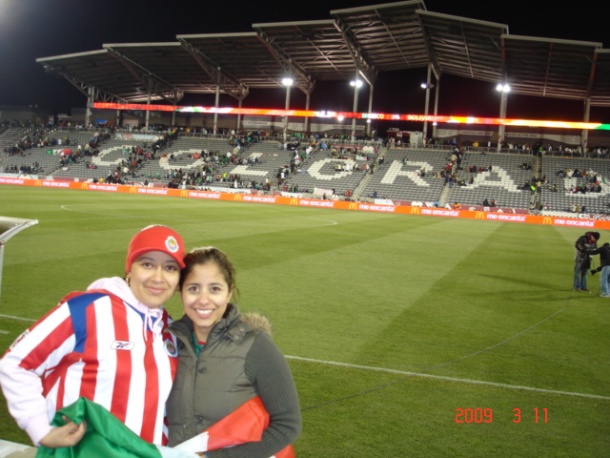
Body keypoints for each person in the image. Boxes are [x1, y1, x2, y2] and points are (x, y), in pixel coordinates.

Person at [0, 225, 186, 448]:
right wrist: (40, 428)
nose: (158, 277)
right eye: (147, 264)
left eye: (170, 268)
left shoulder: (170, 330)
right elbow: (15, 364)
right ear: (129, 269)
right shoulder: (85, 310)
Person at [166, 246, 301, 457]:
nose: (203, 299)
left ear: (229, 292)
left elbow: (287, 424)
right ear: (180, 291)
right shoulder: (166, 342)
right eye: (193, 288)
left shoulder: (256, 346)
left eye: (215, 289)